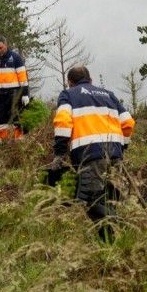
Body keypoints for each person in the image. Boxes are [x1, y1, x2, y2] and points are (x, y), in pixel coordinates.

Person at [50, 66, 135, 242]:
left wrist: (59, 154)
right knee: (109, 196)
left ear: (70, 82)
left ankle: (120, 229)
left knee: (91, 199)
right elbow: (128, 123)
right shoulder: (108, 94)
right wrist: (122, 147)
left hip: (90, 155)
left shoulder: (68, 94)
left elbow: (63, 123)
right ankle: (112, 244)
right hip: (114, 154)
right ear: (91, 79)